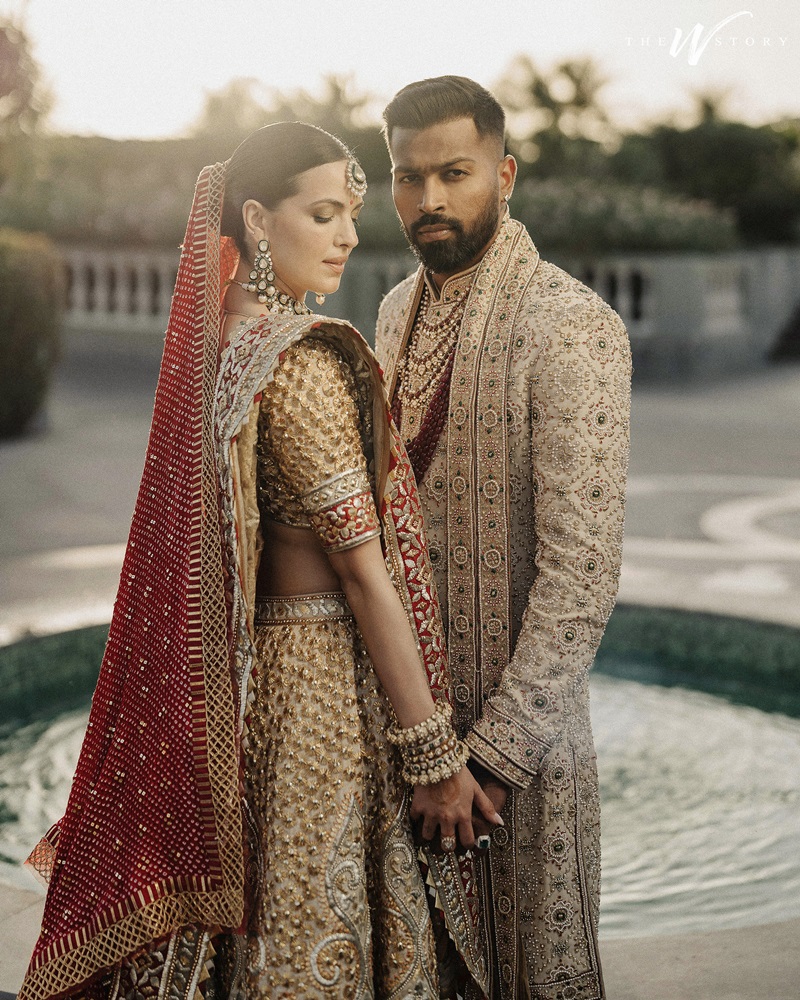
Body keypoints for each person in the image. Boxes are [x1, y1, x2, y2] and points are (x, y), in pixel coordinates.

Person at [19, 122, 503, 1000]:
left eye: (351, 213)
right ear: (256, 217)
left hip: (244, 692)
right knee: (316, 926)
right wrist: (434, 758)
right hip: (316, 696)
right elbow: (364, 572)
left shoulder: (220, 352)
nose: (347, 236)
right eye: (322, 214)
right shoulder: (303, 363)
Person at [375, 78, 632, 1000]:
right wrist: (425, 750)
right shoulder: (395, 311)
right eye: (410, 177)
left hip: (516, 767)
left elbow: (582, 572)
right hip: (411, 743)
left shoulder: (571, 327)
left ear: (506, 173)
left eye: (455, 172)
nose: (431, 199)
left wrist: (486, 760)